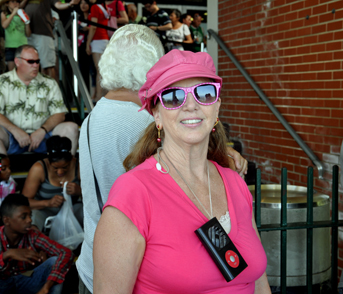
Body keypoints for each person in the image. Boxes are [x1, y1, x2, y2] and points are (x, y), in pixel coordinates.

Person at [77, 24, 248, 294]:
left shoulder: (91, 118)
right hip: (141, 270)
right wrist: (224, 154)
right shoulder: (144, 121)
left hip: (94, 264)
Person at [0, 44, 79, 155]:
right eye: (31, 61)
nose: (36, 65)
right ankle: (1, 170)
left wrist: (42, 130)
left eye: (37, 61)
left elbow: (60, 114)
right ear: (17, 62)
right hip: (12, 137)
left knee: (71, 128)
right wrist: (15, 131)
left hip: (44, 137)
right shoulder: (2, 81)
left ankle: (65, 170)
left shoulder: (49, 82)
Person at [0, 193, 74, 294]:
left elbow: (66, 253)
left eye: (30, 215)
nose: (29, 220)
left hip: (26, 282)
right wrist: (6, 255)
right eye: (23, 217)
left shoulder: (33, 235)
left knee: (55, 262)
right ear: (7, 220)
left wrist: (46, 288)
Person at [22, 136, 83, 231]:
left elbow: (93, 198)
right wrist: (47, 203)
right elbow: (23, 202)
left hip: (72, 210)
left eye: (65, 167)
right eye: (55, 168)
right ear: (49, 161)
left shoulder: (79, 166)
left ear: (71, 159)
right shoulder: (39, 168)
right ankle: (35, 243)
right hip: (45, 211)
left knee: (87, 213)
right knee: (32, 220)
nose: (60, 172)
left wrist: (80, 191)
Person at [22, 0, 80, 80]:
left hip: (43, 33)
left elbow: (58, 5)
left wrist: (69, 4)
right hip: (26, 33)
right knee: (29, 66)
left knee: (47, 65)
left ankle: (50, 89)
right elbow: (17, 6)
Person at [86, 0, 109, 102]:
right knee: (105, 71)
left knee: (99, 71)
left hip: (97, 40)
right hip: (105, 40)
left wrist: (88, 43)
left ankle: (99, 98)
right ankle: (105, 96)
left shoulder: (95, 7)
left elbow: (93, 27)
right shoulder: (106, 7)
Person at [0, 0, 31, 71]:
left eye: (17, 2)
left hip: (23, 46)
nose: (16, 3)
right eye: (13, 1)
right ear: (7, 4)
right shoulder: (4, 13)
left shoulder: (22, 14)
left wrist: (27, 22)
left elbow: (28, 34)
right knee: (12, 71)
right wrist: (13, 13)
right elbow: (4, 25)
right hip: (10, 46)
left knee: (23, 70)